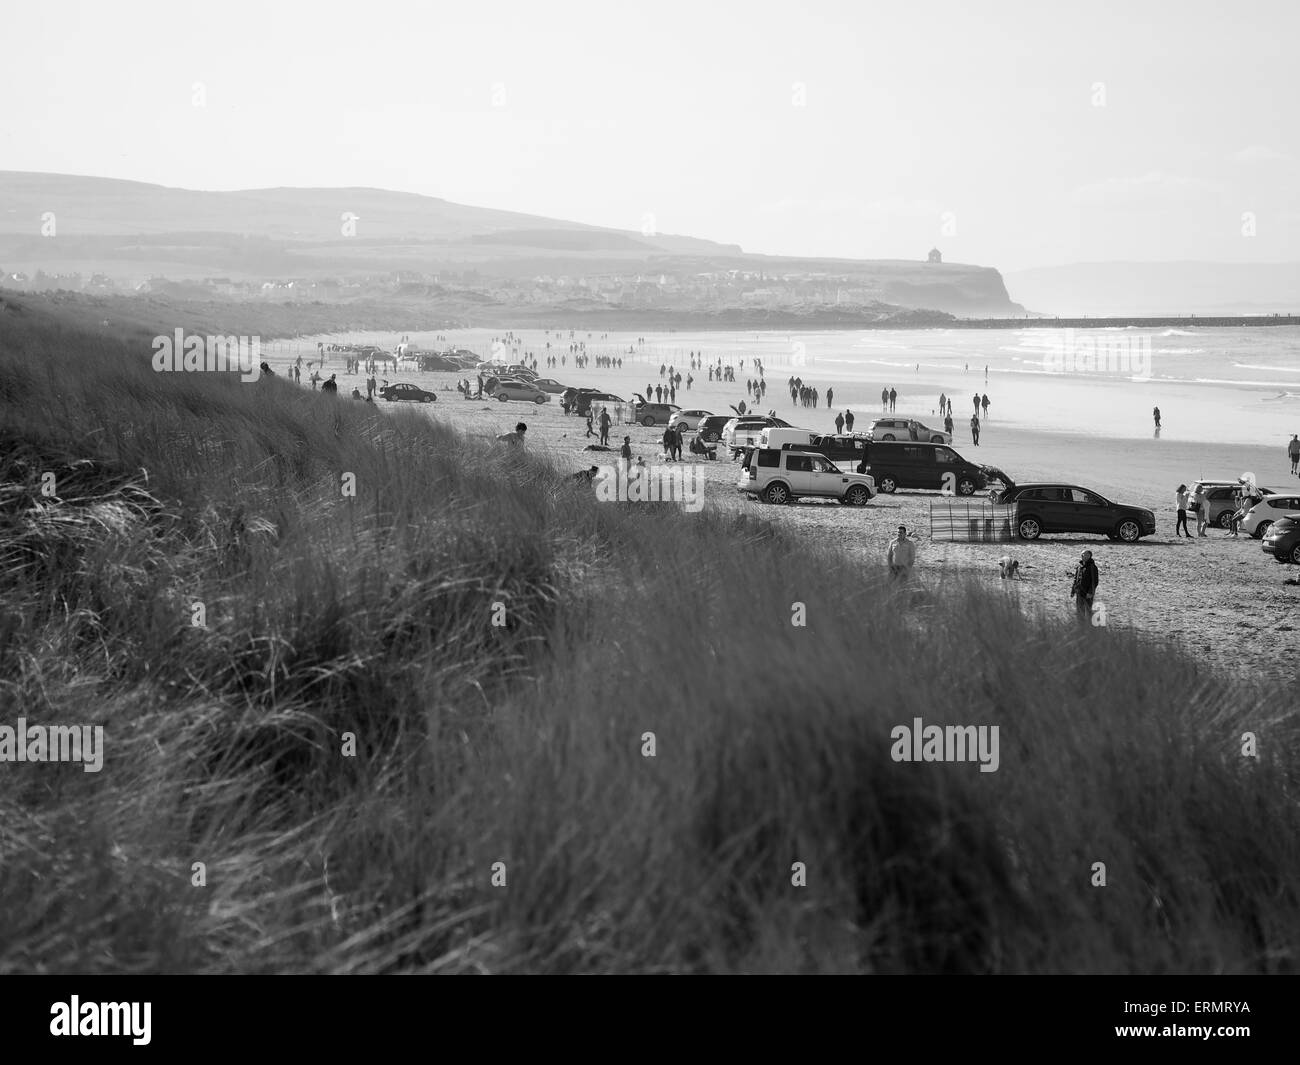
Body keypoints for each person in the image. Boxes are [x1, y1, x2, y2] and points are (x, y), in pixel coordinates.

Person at [1070, 550, 1099, 623]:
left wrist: (1090, 592)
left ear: (1089, 556)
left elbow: (1094, 581)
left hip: (1087, 593)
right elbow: (1075, 579)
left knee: (1088, 610)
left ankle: (1090, 626)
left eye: (1085, 555)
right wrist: (1073, 590)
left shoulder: (1092, 567)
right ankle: (1080, 625)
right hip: (1079, 592)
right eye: (1082, 555)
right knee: (1079, 610)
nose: (1083, 556)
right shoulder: (1079, 566)